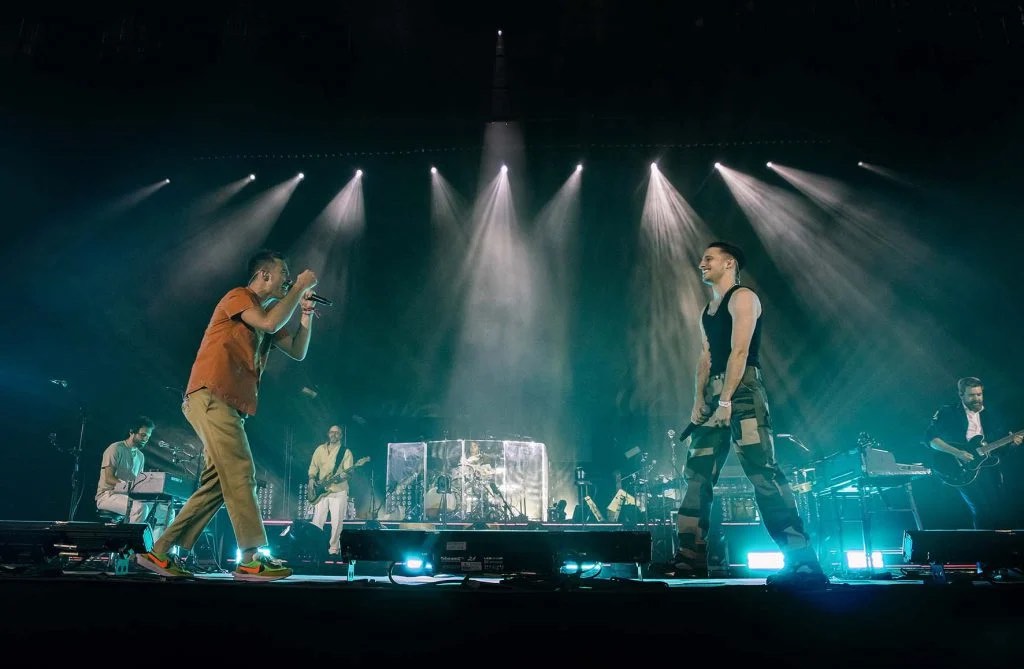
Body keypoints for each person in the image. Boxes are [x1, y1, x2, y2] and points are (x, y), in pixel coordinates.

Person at [136, 249, 319, 580]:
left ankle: (159, 552)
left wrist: (304, 314)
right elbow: (270, 322)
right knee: (241, 469)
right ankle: (251, 557)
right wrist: (299, 287)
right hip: (211, 396)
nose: (289, 278)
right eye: (284, 273)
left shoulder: (266, 312)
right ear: (264, 275)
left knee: (219, 482)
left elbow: (297, 351)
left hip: (228, 405)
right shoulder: (239, 297)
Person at [672, 241, 828, 587]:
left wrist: (726, 400)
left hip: (742, 391)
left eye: (709, 259)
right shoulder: (707, 310)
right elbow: (705, 356)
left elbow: (740, 350)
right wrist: (698, 400)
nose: (701, 263)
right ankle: (689, 559)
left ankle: (802, 562)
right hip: (715, 394)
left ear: (729, 263)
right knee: (697, 474)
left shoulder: (743, 298)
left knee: (762, 471)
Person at [924, 376, 1022, 532]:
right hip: (959, 467)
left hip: (986, 467)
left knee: (998, 507)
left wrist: (1012, 444)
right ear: (961, 395)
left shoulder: (990, 415)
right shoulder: (948, 411)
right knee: (981, 508)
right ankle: (982, 544)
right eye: (971, 395)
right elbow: (931, 439)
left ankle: (998, 543)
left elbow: (997, 450)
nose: (977, 399)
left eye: (979, 394)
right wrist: (958, 452)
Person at [95, 416, 175, 541]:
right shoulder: (115, 448)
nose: (145, 439)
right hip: (108, 495)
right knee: (140, 508)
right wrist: (128, 485)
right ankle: (130, 546)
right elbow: (109, 478)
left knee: (167, 512)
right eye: (143, 435)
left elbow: (139, 483)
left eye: (148, 437)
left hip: (130, 497)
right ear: (132, 432)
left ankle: (154, 548)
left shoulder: (140, 456)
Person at [307, 424, 354, 556]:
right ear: (328, 434)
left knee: (337, 522)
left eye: (337, 433)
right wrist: (311, 479)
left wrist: (342, 477)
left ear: (341, 436)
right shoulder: (320, 449)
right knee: (317, 521)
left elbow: (349, 472)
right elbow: (313, 466)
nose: (334, 434)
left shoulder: (345, 452)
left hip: (339, 491)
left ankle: (333, 550)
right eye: (332, 432)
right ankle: (315, 548)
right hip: (321, 491)